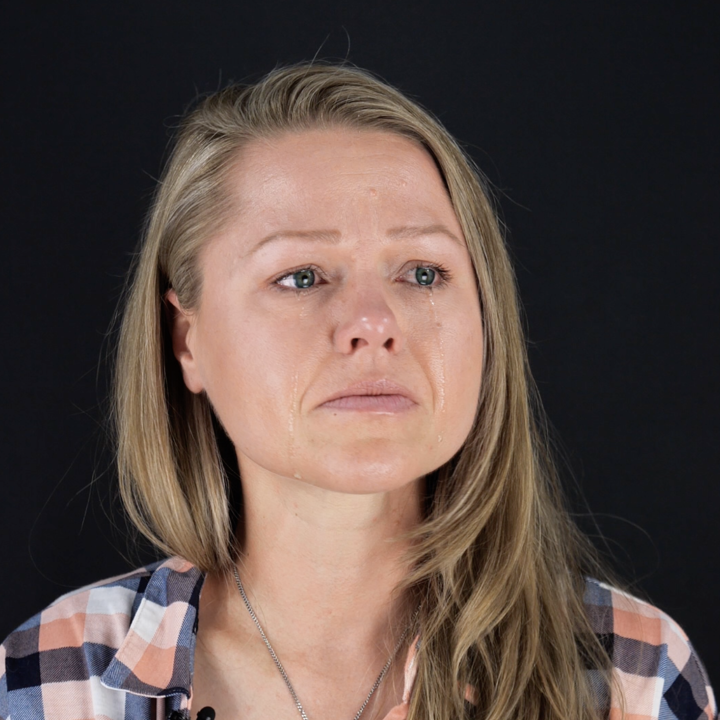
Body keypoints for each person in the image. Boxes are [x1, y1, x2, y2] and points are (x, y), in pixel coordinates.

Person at [0, 63, 715, 720]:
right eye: (302, 275)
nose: (374, 324)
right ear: (188, 342)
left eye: (424, 273)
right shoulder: (54, 679)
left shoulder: (631, 677)